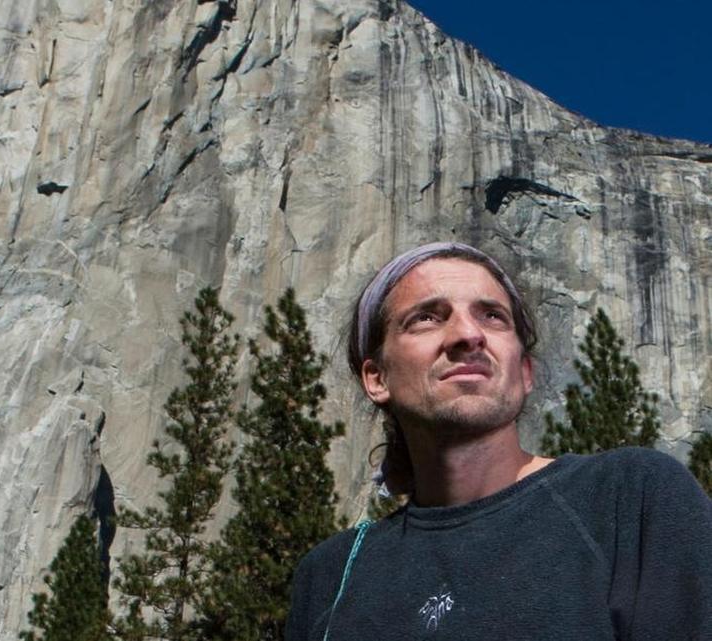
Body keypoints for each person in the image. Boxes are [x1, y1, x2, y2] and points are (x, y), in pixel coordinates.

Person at [285, 242, 712, 641]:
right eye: (427, 317)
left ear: (525, 372)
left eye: (492, 316)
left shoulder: (629, 498)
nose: (467, 335)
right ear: (377, 378)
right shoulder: (329, 575)